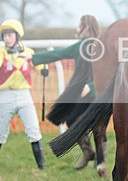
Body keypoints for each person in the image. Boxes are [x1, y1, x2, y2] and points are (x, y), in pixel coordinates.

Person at [30, 15, 100, 169]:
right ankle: (89, 152)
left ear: (86, 27)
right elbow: (57, 54)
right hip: (85, 96)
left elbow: (109, 71)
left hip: (101, 94)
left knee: (97, 126)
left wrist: (91, 86)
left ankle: (100, 161)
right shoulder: (79, 46)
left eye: (79, 25)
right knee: (71, 118)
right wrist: (32, 58)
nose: (77, 29)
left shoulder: (101, 46)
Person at [0, 19, 48, 170]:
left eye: (9, 35)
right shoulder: (1, 52)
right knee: (0, 134)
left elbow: (37, 64)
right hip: (5, 97)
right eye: (4, 36)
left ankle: (42, 167)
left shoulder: (28, 52)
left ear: (18, 36)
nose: (6, 38)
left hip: (24, 96)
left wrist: (43, 68)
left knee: (34, 131)